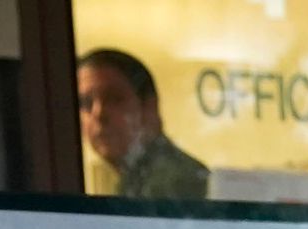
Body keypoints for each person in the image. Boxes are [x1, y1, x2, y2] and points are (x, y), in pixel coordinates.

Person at [75, 49, 208, 203]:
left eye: (114, 99)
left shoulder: (177, 182)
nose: (98, 114)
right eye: (86, 103)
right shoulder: (135, 179)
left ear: (149, 107)